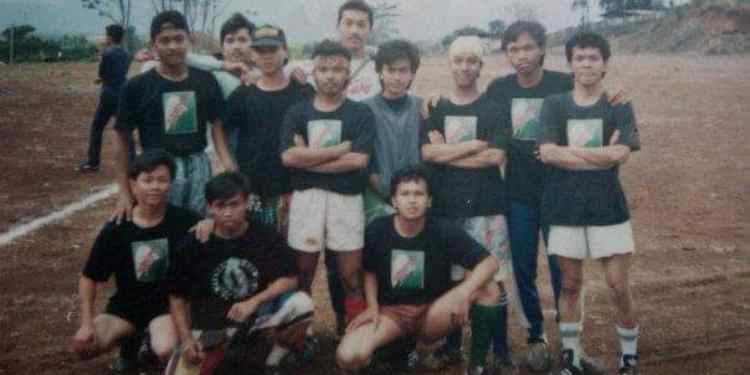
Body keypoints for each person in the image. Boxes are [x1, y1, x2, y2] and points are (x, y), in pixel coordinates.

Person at [537, 31, 641, 375]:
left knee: (617, 286)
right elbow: (547, 153)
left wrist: (570, 153)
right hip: (564, 209)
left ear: (605, 63)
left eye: (593, 57)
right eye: (579, 57)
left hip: (608, 209)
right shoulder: (555, 104)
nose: (586, 63)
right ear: (570, 63)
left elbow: (622, 152)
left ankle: (628, 359)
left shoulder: (618, 105)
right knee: (569, 285)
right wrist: (601, 156)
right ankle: (571, 358)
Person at [336, 166, 501, 375]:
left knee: (489, 289)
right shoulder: (378, 229)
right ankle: (396, 351)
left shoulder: (442, 229)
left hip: (431, 312)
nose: (412, 200)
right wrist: (372, 306)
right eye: (405, 194)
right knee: (348, 356)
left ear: (429, 200)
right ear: (394, 200)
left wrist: (463, 292)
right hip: (393, 315)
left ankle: (476, 367)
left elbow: (490, 263)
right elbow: (369, 272)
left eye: (418, 194)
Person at [420, 36, 516, 374]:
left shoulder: (493, 108)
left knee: (494, 280)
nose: (464, 67)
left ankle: (499, 351)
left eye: (471, 61)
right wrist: (473, 145)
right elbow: (428, 153)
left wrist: (449, 152)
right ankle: (452, 346)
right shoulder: (437, 107)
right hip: (446, 208)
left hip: (487, 207)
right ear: (449, 63)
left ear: (480, 65)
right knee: (453, 279)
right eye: (458, 60)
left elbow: (495, 156)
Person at [483, 20, 570, 371]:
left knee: (563, 269)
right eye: (513, 49)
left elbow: (592, 105)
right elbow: (478, 116)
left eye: (528, 47)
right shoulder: (499, 89)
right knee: (522, 269)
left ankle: (570, 339)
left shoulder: (563, 84)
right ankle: (536, 335)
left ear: (542, 49)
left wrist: (615, 96)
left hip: (560, 192)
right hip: (517, 193)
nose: (521, 56)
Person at [167, 172, 313, 374]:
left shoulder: (264, 234)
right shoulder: (194, 243)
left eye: (234, 204)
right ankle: (230, 357)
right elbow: (176, 296)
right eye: (220, 205)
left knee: (301, 305)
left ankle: (274, 360)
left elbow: (290, 279)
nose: (228, 212)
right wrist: (186, 339)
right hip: (211, 330)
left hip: (257, 323)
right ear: (209, 207)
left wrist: (254, 302)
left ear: (247, 202)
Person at [280, 39, 374, 351]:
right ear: (313, 72)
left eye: (337, 69)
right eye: (323, 69)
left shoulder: (360, 113)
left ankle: (352, 332)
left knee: (350, 275)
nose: (330, 75)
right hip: (307, 199)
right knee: (303, 271)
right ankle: (299, 336)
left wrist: (309, 158)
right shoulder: (297, 112)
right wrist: (338, 150)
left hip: (346, 201)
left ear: (348, 74)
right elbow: (288, 158)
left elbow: (358, 162)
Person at [71, 150, 202, 372]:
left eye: (162, 180)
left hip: (165, 308)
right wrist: (86, 323)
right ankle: (132, 342)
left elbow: (221, 231)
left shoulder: (185, 221)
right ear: (133, 184)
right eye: (147, 180)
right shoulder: (118, 227)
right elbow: (89, 277)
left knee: (165, 348)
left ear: (171, 184)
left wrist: (207, 224)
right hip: (126, 307)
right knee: (83, 346)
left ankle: (144, 348)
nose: (155, 186)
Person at [113, 10, 236, 222]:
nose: (172, 46)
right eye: (164, 41)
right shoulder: (136, 87)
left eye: (179, 39)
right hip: (156, 173)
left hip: (198, 167)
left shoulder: (205, 81)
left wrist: (227, 162)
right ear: (154, 45)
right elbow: (122, 138)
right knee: (159, 228)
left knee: (198, 228)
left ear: (189, 41)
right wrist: (124, 192)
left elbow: (216, 124)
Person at [223, 25, 314, 234]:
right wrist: (228, 161)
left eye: (272, 50)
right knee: (256, 249)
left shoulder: (303, 91)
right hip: (253, 187)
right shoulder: (244, 93)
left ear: (285, 51)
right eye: (260, 51)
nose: (266, 56)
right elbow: (220, 126)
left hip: (293, 187)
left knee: (291, 253)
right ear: (252, 55)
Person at [363, 38, 424, 225]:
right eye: (391, 70)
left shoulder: (422, 107)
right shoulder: (364, 109)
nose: (397, 77)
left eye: (403, 70)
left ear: (412, 74)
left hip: (416, 198)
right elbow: (364, 159)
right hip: (377, 198)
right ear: (380, 72)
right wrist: (383, 186)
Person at [79, 23, 134, 173]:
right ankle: (134, 163)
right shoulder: (127, 53)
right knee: (125, 129)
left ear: (110, 36)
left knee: (97, 126)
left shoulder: (107, 53)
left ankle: (93, 162)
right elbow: (121, 72)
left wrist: (101, 79)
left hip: (109, 93)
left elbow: (103, 74)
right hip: (122, 93)